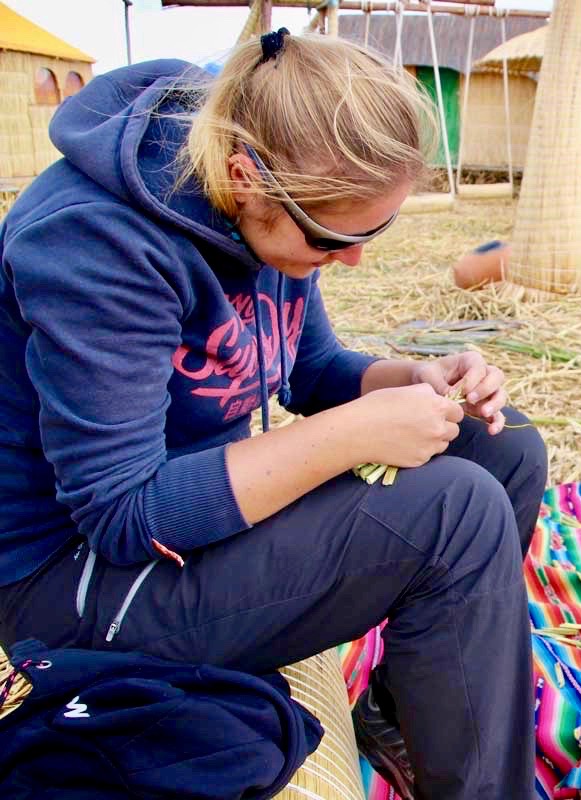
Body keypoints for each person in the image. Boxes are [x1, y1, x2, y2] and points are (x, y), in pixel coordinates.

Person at [0, 30, 546, 800]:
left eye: (371, 231)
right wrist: (350, 435)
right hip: (77, 585)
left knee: (503, 445)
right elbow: (123, 515)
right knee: (454, 512)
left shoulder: (260, 201)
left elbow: (314, 370)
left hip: (186, 526)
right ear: (244, 176)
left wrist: (418, 376)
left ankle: (400, 708)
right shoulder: (94, 242)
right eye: (335, 235)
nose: (351, 259)